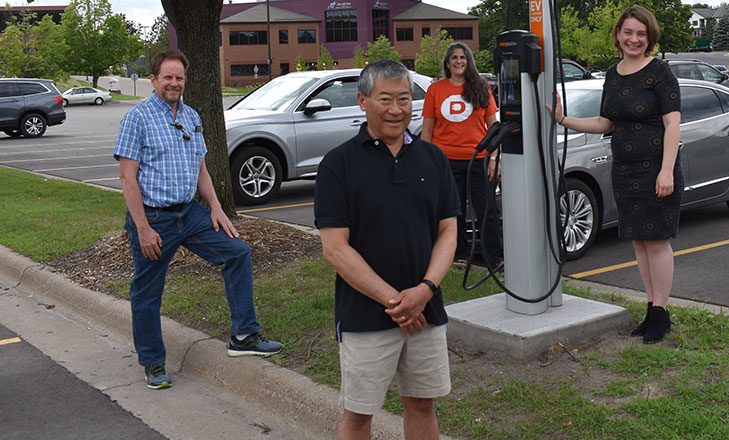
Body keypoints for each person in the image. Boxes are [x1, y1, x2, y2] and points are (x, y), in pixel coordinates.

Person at [114, 50, 282, 390]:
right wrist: (144, 228)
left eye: (179, 78)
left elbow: (201, 167)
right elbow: (127, 178)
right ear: (153, 80)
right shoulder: (138, 118)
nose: (174, 83)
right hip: (155, 218)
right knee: (148, 292)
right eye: (168, 77)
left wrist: (216, 207)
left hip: (190, 214)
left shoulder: (191, 116)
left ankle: (244, 336)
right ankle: (153, 362)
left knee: (237, 252)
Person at [315, 60, 459, 440]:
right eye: (385, 99)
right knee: (360, 414)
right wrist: (398, 302)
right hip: (365, 313)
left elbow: (448, 232)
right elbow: (335, 249)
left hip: (425, 308)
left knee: (421, 403)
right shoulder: (338, 165)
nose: (396, 109)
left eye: (403, 98)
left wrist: (424, 291)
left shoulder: (433, 159)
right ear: (363, 101)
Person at [549, 5, 682, 344]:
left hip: (656, 169)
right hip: (624, 170)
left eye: (640, 33)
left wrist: (666, 170)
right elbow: (606, 123)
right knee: (638, 241)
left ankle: (661, 313)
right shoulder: (612, 74)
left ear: (648, 37)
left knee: (656, 241)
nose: (634, 39)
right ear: (618, 35)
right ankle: (651, 307)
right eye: (628, 32)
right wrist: (565, 120)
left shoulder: (660, 72)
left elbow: (672, 123)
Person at [421, 42, 503, 269]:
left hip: (478, 159)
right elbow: (427, 129)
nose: (458, 61)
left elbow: (493, 127)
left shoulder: (481, 87)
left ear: (468, 62)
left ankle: (495, 256)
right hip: (445, 160)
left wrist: (494, 157)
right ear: (447, 63)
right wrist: (425, 161)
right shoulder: (435, 90)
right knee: (452, 211)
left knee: (486, 209)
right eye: (454, 58)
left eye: (463, 57)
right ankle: (460, 254)